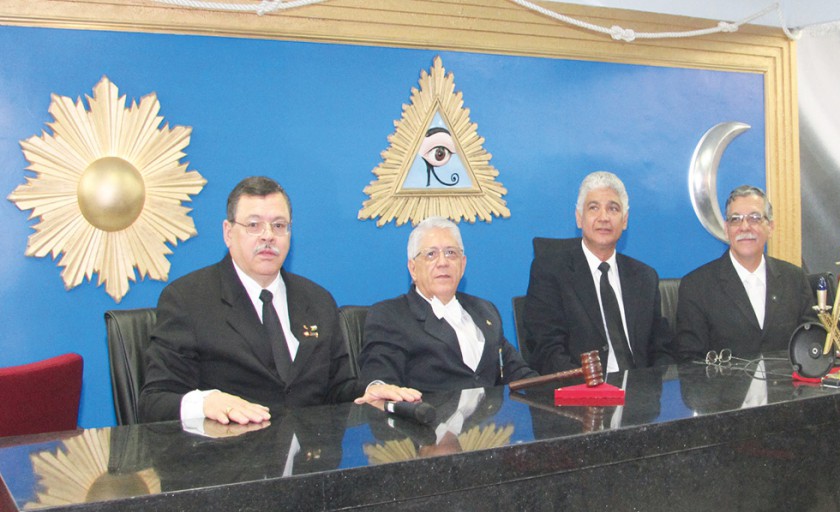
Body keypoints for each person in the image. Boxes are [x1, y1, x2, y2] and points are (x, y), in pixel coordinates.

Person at [140, 176, 420, 426]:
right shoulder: (188, 299)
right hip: (232, 458)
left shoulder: (318, 300)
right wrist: (206, 402)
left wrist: (368, 391)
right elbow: (154, 402)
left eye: (278, 225)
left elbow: (336, 390)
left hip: (312, 460)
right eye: (253, 225)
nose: (268, 236)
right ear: (228, 232)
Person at [358, 217, 537, 392]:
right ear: (413, 268)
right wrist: (377, 387)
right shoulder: (391, 315)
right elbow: (380, 377)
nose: (443, 262)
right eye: (431, 254)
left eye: (451, 253)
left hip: (490, 413)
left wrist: (547, 390)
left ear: (463, 264)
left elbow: (518, 373)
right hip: (426, 412)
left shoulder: (485, 310)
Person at [522, 171, 674, 374]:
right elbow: (547, 351)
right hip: (582, 388)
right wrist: (592, 388)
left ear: (625, 220)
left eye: (613, 208)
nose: (604, 217)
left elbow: (661, 350)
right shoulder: (550, 271)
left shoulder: (644, 277)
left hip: (640, 388)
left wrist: (651, 384)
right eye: (594, 207)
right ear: (579, 218)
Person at [674, 185, 818, 361]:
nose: (745, 227)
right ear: (726, 229)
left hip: (786, 378)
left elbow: (811, 344)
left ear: (770, 227)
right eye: (736, 219)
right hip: (724, 380)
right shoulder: (696, 286)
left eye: (755, 218)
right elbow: (690, 362)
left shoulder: (794, 279)